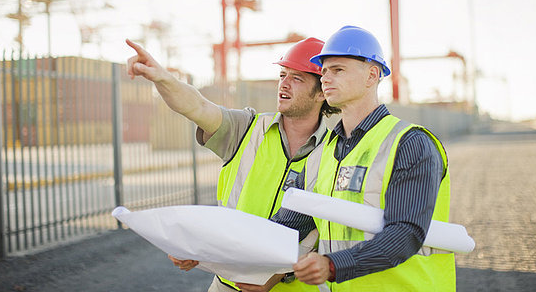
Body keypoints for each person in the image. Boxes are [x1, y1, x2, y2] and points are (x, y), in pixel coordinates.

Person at [126, 37, 339, 292]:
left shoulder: (335, 153)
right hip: (228, 285)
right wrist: (162, 78)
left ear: (321, 92)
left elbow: (325, 235)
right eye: (283, 74)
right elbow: (196, 105)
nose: (283, 83)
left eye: (297, 78)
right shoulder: (246, 129)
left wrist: (279, 277)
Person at [272, 26, 456, 291]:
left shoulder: (410, 143)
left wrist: (332, 266)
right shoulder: (322, 153)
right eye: (323, 71)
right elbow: (286, 227)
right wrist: (211, 250)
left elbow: (405, 234)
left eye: (338, 70)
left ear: (372, 75)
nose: (325, 78)